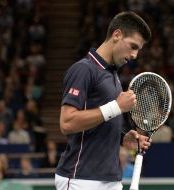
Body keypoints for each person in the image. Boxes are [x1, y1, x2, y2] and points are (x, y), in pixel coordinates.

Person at [55, 11, 152, 190]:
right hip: (81, 179)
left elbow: (100, 122)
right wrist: (116, 106)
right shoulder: (83, 70)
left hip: (111, 178)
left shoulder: (112, 75)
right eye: (133, 46)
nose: (134, 55)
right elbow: (67, 123)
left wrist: (123, 139)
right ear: (117, 35)